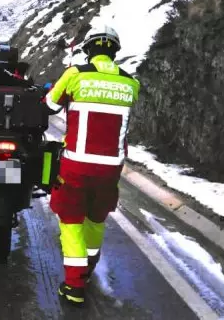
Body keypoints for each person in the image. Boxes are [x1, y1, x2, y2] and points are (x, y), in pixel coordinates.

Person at [45, 25, 140, 305]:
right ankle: (87, 270)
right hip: (111, 169)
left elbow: (50, 105)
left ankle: (74, 286)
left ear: (88, 49)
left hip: (76, 165)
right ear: (115, 51)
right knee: (96, 219)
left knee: (71, 220)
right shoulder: (130, 83)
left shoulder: (75, 75)